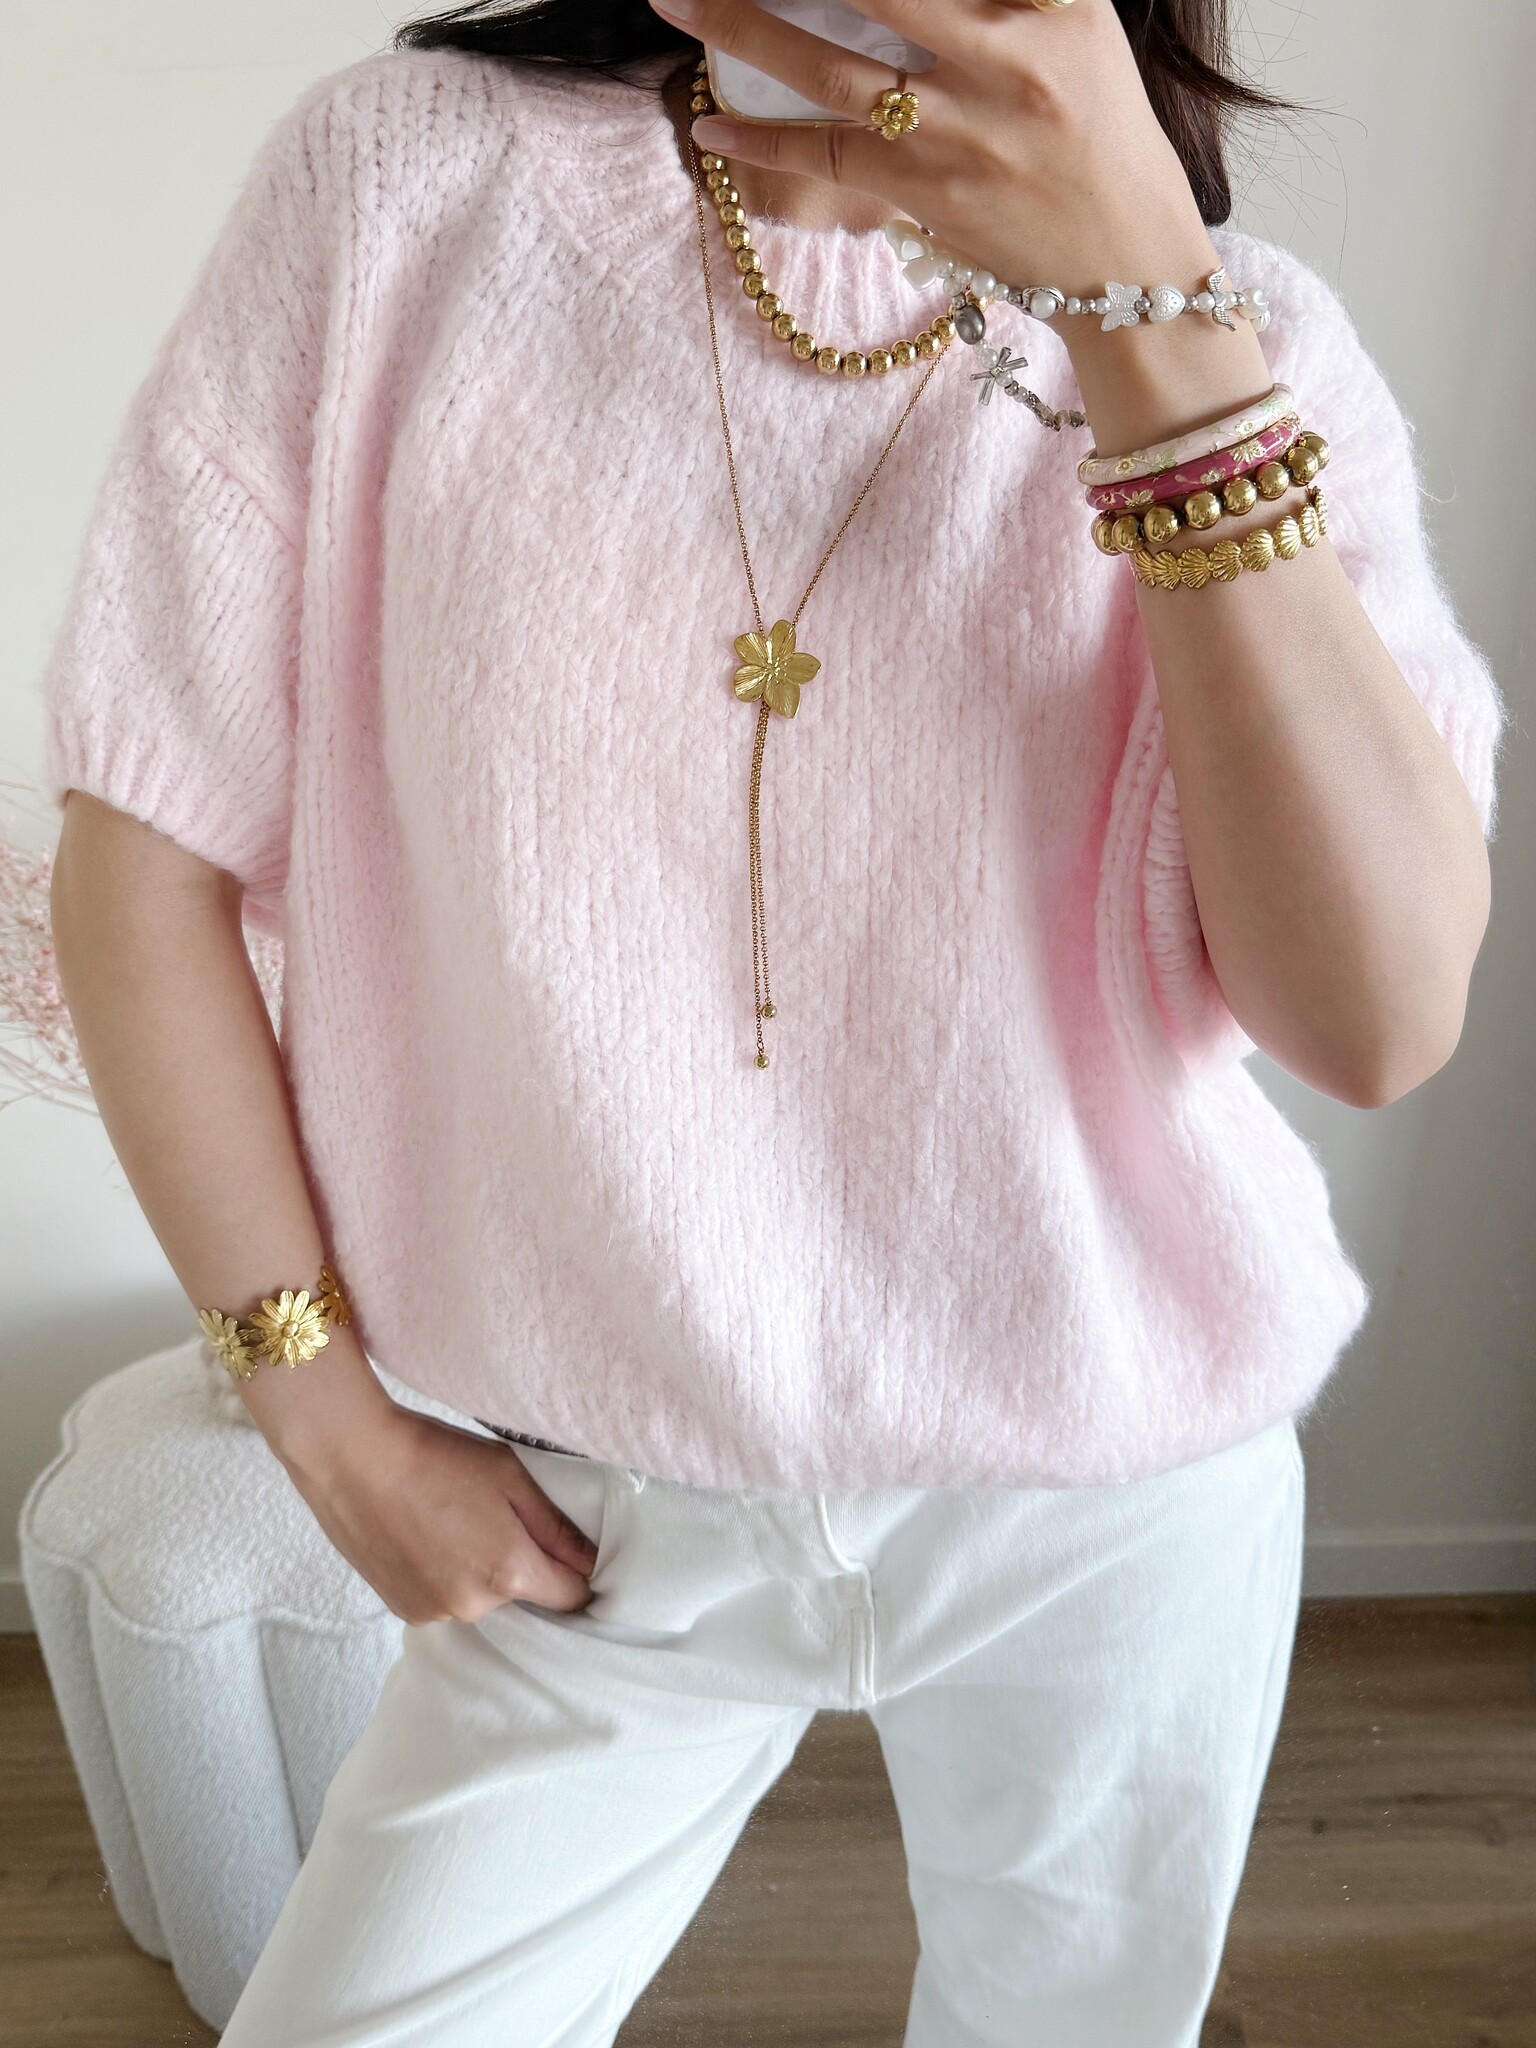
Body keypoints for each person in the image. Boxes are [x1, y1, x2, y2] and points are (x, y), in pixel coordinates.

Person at [40, 0, 1507, 2041]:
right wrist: (321, 1412)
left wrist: (1151, 323)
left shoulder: (1259, 344)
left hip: (1115, 1485)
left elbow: (1372, 1022)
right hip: (592, 1507)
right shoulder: (403, 196)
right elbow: (144, 860)